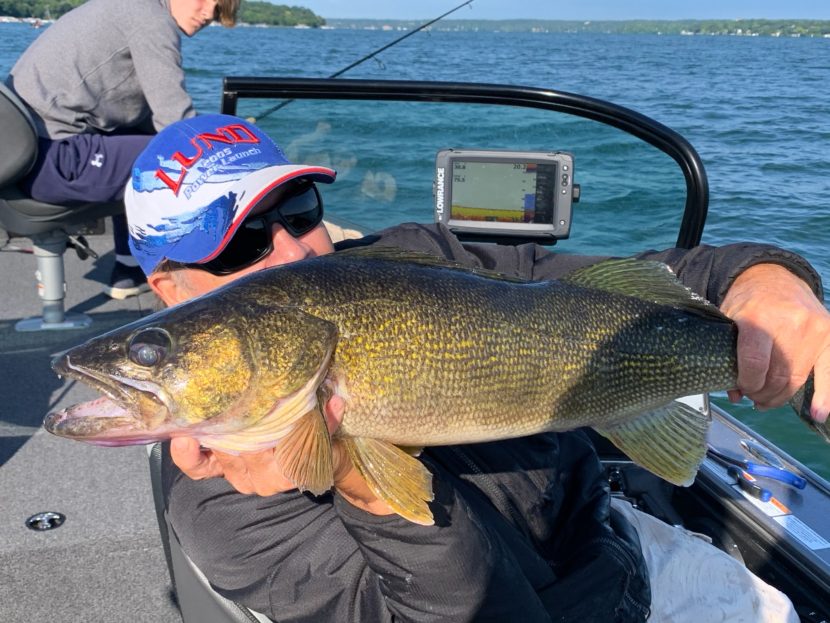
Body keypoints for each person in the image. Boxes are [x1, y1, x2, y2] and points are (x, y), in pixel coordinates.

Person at [126, 114, 830, 622]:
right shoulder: (219, 500)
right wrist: (358, 481)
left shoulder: (425, 259)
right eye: (237, 243)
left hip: (612, 546)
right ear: (167, 290)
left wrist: (766, 284)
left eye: (297, 209)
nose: (291, 252)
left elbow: (651, 279)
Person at [4, 0, 240, 299]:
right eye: (204, 0)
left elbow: (131, 113)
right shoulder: (152, 20)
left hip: (29, 152)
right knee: (185, 162)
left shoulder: (129, 6)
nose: (208, 13)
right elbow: (176, 125)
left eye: (218, 9)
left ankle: (129, 269)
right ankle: (212, 277)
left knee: (140, 143)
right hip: (51, 158)